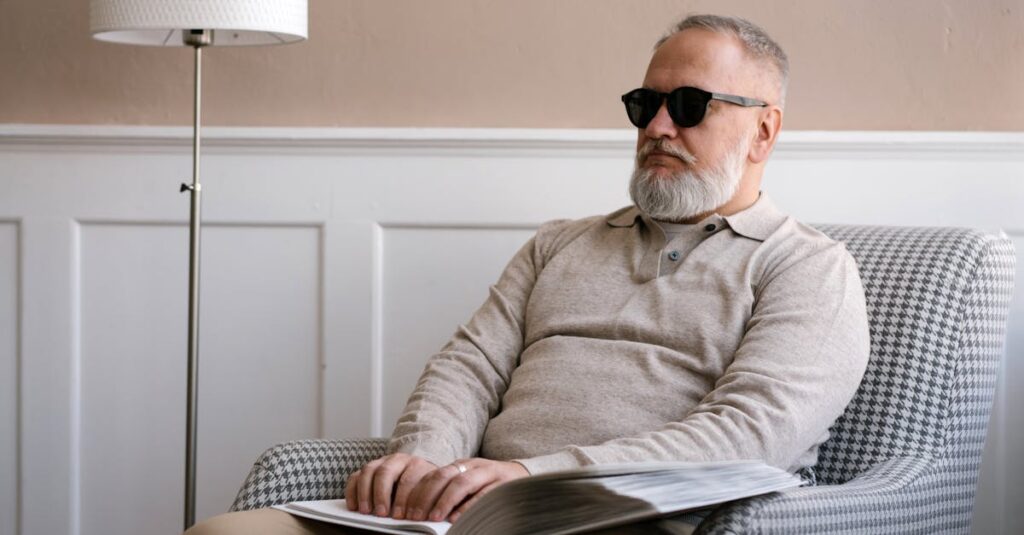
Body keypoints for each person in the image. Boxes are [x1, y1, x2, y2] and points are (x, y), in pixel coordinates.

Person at [187, 13, 869, 535]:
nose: (658, 126)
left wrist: (523, 478)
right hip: (464, 514)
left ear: (764, 131)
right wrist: (424, 463)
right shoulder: (560, 243)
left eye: (690, 105)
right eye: (644, 104)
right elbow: (469, 365)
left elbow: (747, 437)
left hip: (618, 519)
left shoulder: (807, 268)